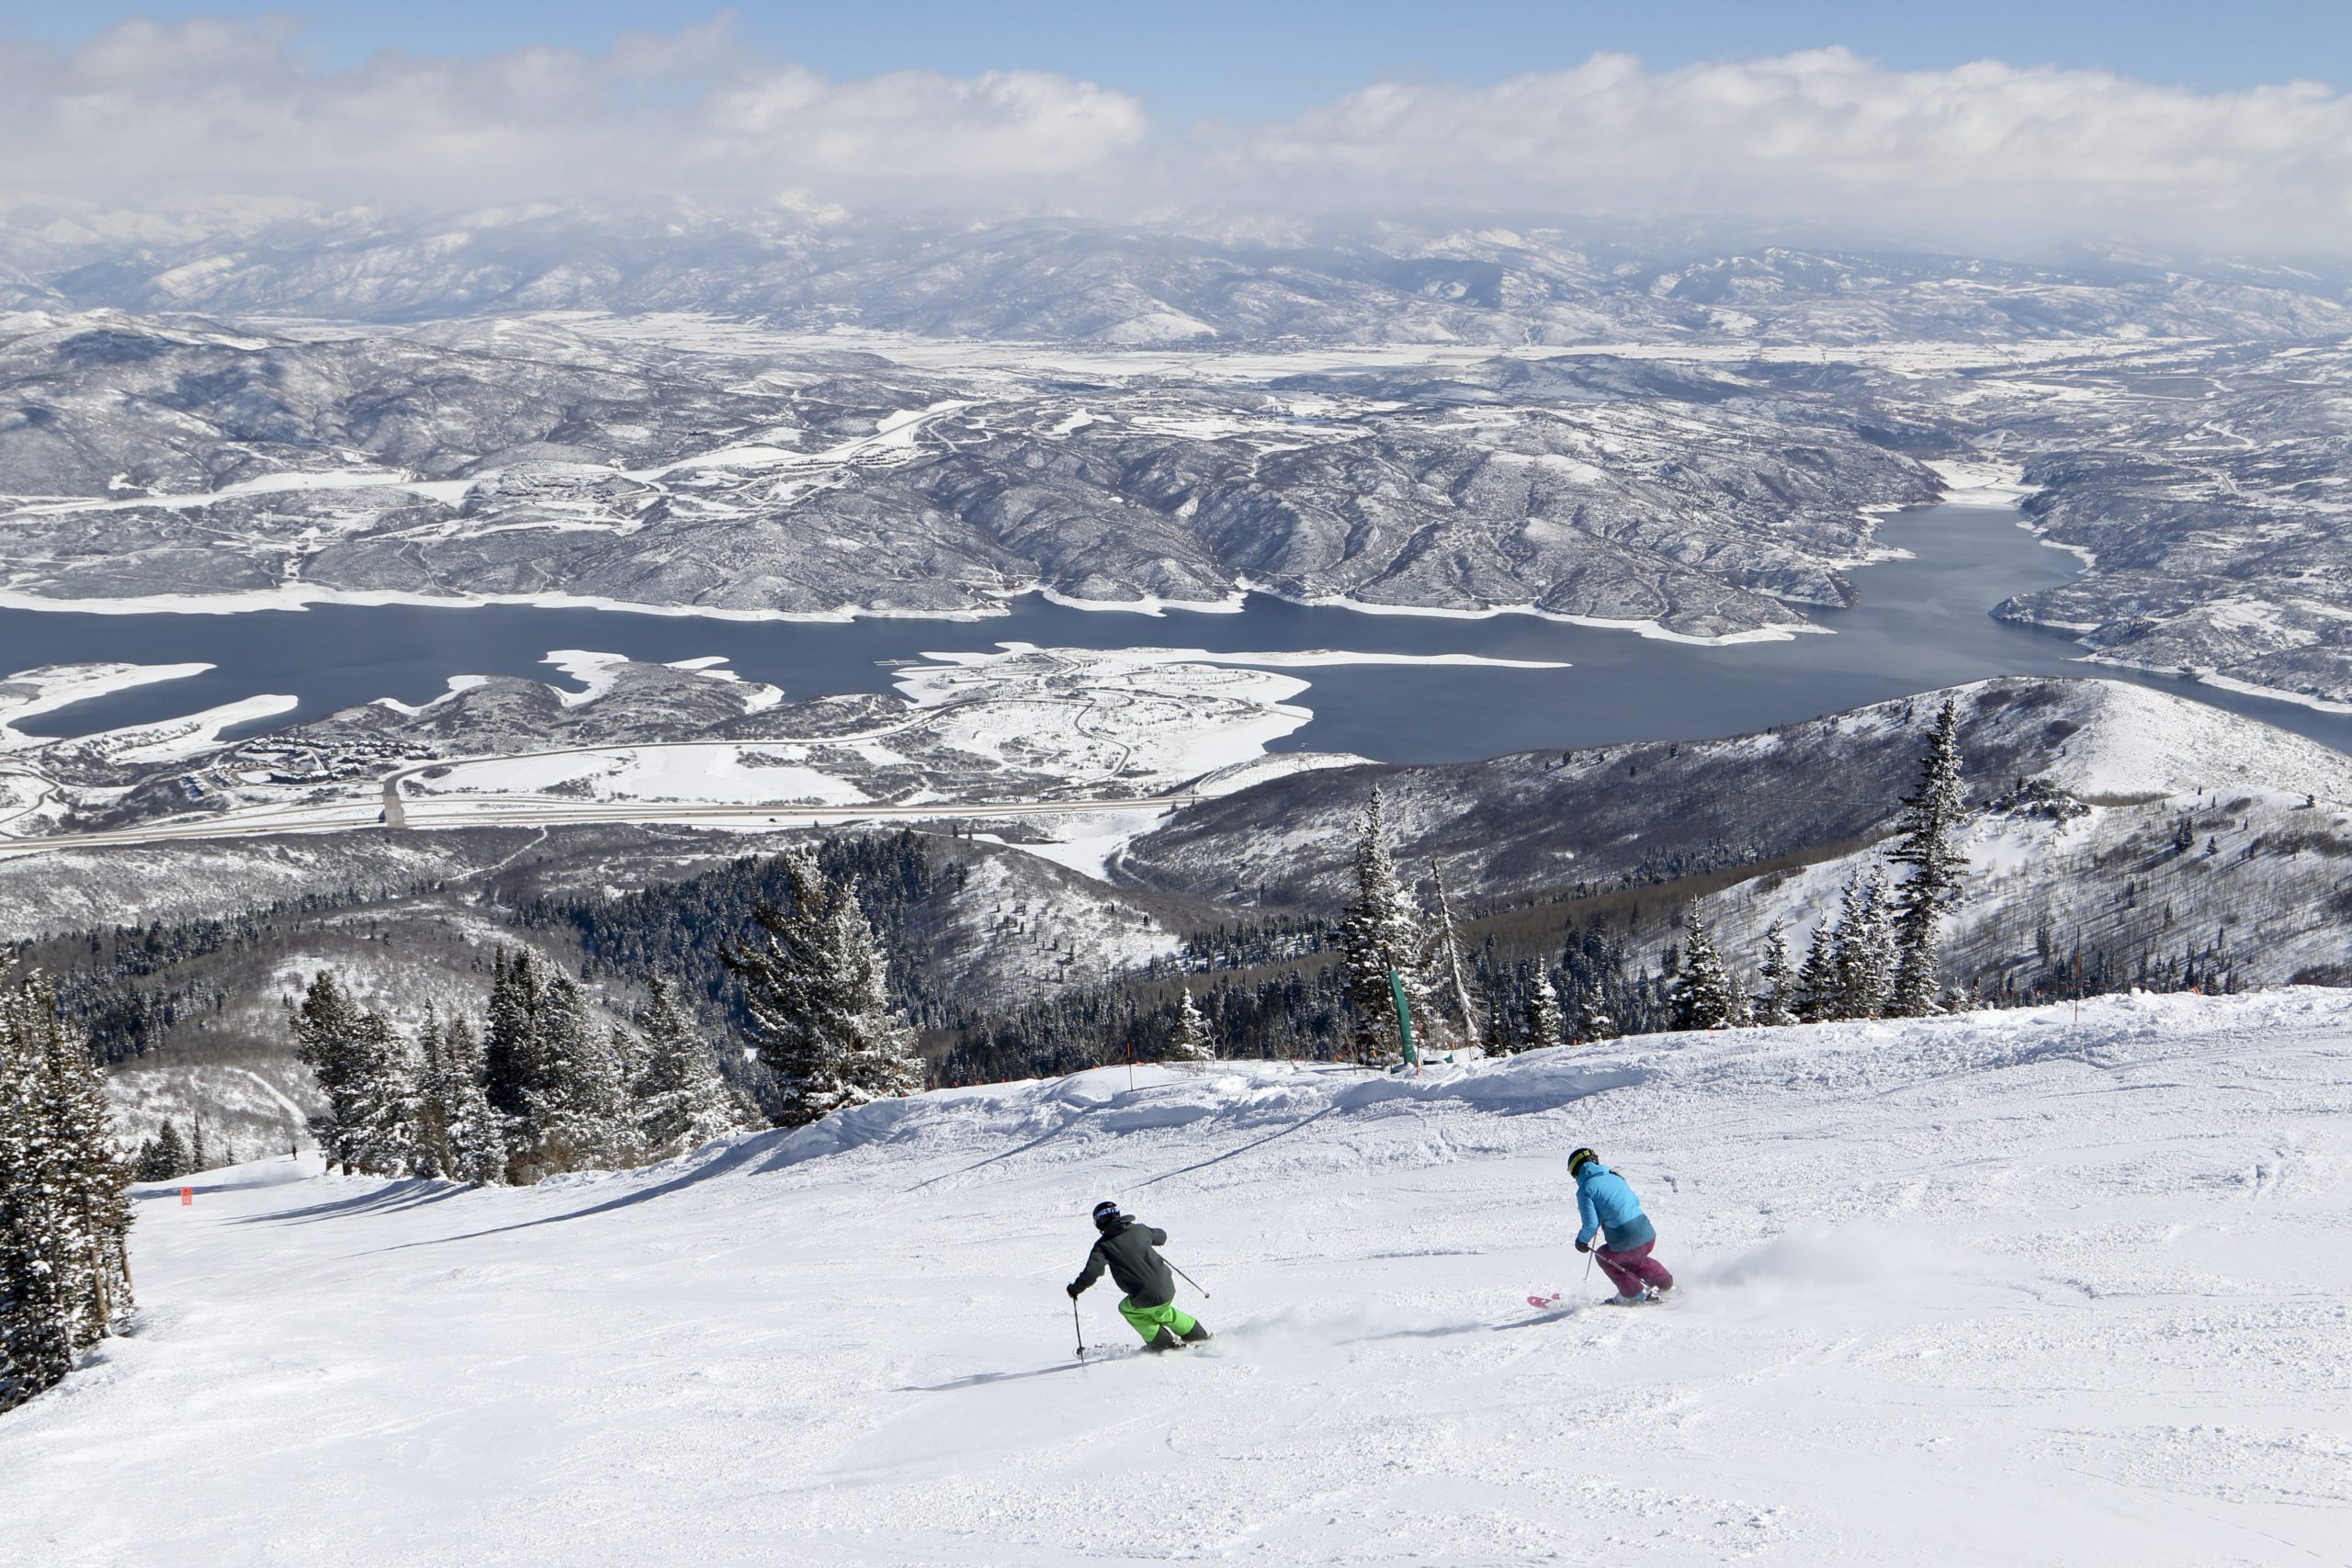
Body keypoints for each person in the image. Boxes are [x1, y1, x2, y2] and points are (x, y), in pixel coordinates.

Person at [1069, 1200, 1213, 1351]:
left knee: (1127, 1309)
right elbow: (1161, 1237)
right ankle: (1198, 1336)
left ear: (1099, 1222)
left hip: (1144, 1295)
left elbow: (1092, 1272)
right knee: (1162, 1312)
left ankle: (1162, 1344)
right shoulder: (1139, 1229)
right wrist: (1146, 1235)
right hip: (1167, 1287)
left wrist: (1075, 1289)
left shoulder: (1103, 1245)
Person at [1568, 1146, 1675, 1304]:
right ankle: (1665, 1283)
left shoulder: (1586, 1189)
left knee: (1604, 1256)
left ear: (1576, 1171)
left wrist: (1581, 1242)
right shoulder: (1616, 1178)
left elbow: (1591, 1224)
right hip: (1647, 1233)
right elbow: (1635, 1201)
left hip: (1625, 1237)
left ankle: (1634, 1295)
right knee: (1636, 1260)